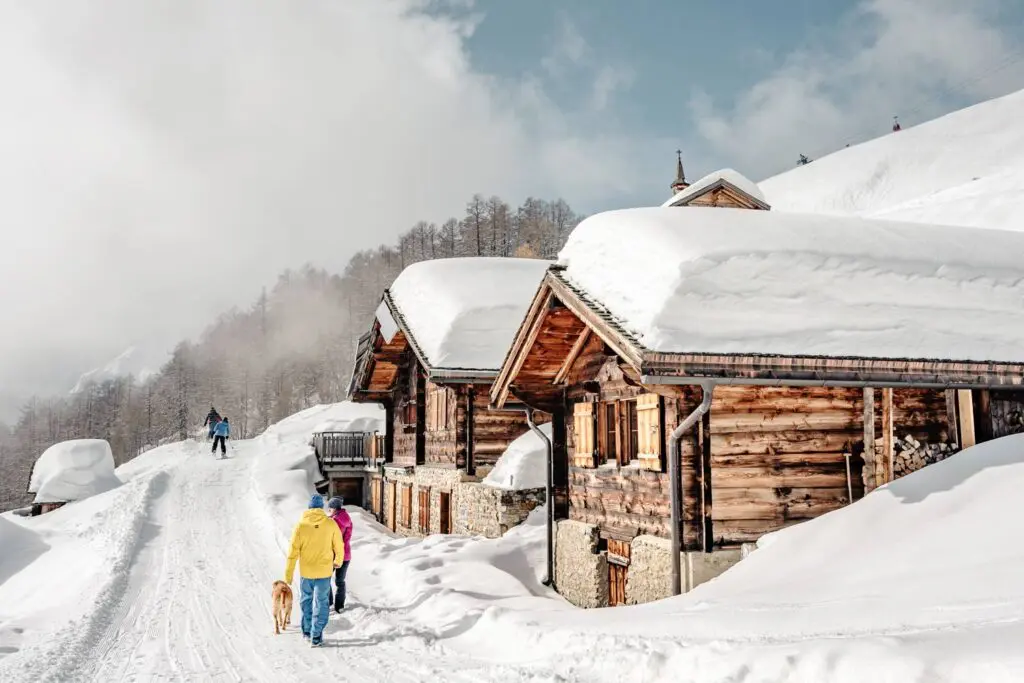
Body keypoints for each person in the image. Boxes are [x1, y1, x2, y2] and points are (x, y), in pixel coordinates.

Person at [285, 494, 343, 647]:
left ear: (309, 508)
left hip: (307, 572)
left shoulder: (301, 526)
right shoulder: (330, 524)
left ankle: (306, 632)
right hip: (324, 572)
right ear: (321, 508)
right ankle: (316, 635)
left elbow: (292, 552)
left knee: (306, 600)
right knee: (321, 602)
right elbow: (339, 545)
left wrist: (289, 573)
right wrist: (338, 561)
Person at [326, 497, 353, 613]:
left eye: (330, 508)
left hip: (335, 555)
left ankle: (329, 602)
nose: (329, 510)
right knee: (340, 581)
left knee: (325, 578)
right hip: (346, 555)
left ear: (335, 509)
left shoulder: (334, 522)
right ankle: (339, 606)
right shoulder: (347, 519)